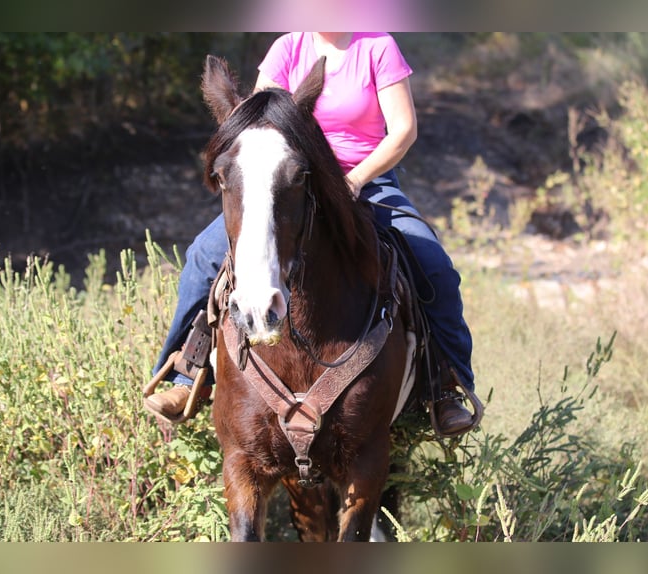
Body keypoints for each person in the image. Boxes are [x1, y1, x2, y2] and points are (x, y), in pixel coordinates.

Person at [144, 32, 480, 436]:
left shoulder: (377, 47)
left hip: (365, 180)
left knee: (433, 264)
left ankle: (445, 385)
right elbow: (258, 123)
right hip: (287, 184)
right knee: (203, 256)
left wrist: (354, 180)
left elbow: (403, 130)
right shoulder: (289, 48)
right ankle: (185, 374)